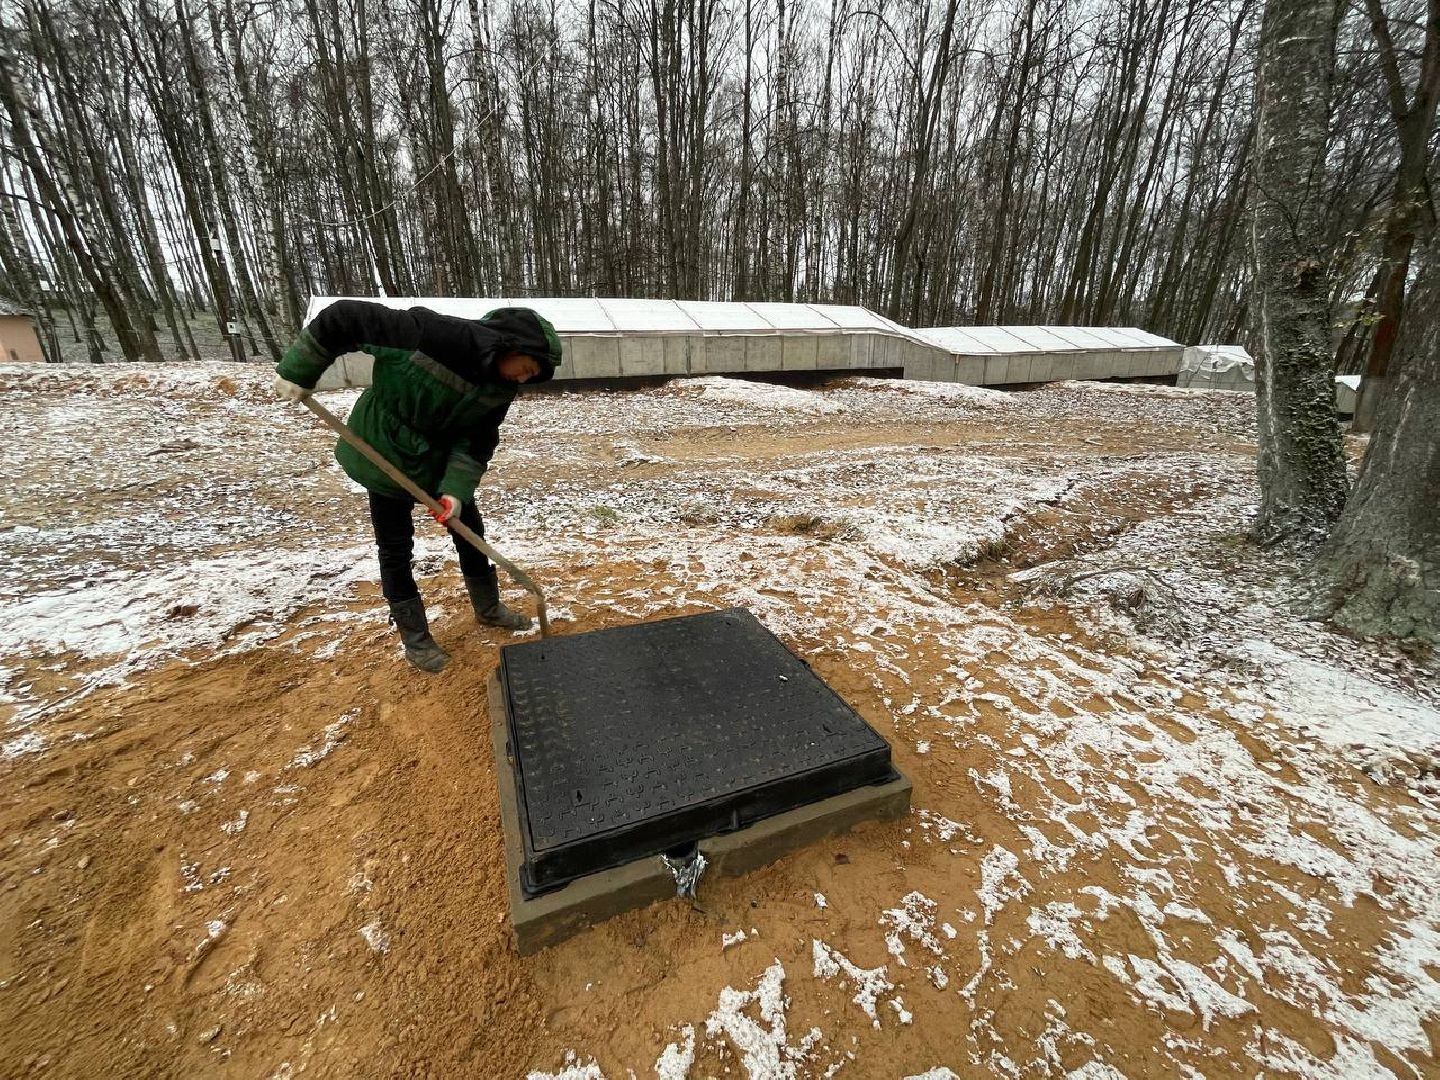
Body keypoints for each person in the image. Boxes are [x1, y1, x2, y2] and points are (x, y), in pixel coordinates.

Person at [271, 299, 562, 673]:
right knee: (395, 548)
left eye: (531, 376)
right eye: (525, 368)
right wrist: (299, 370)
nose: (523, 379)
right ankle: (416, 639)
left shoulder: (499, 388)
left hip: (437, 462)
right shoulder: (430, 336)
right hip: (384, 452)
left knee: (470, 530)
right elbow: (343, 319)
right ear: (509, 345)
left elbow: (476, 442)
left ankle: (489, 609)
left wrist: (455, 491)